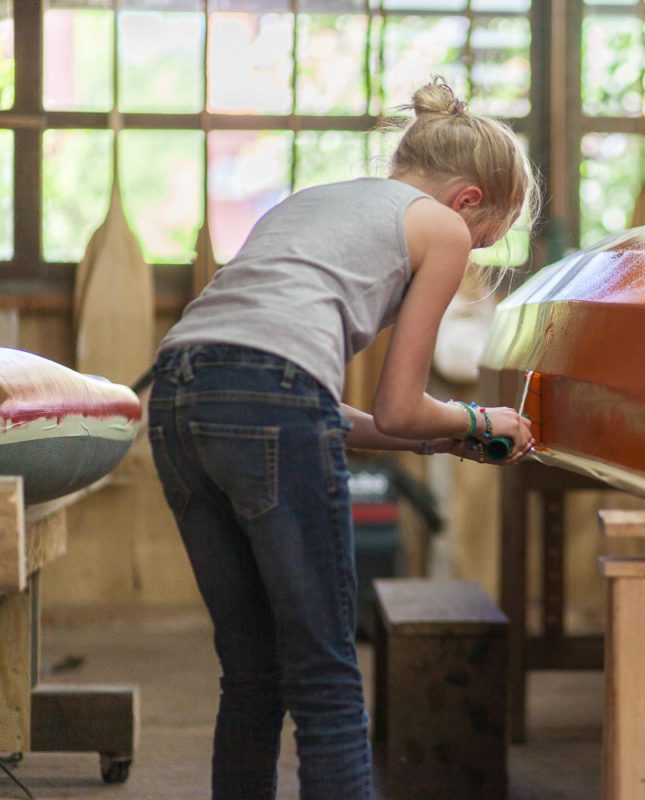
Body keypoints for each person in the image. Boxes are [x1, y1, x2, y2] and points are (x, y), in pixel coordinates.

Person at [146, 80, 537, 800]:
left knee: (253, 672)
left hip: (175, 395)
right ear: (468, 202)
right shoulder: (442, 229)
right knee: (326, 676)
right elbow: (395, 405)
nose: (473, 254)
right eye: (486, 242)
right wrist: (480, 422)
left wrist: (438, 441)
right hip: (268, 397)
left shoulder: (312, 203)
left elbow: (306, 407)